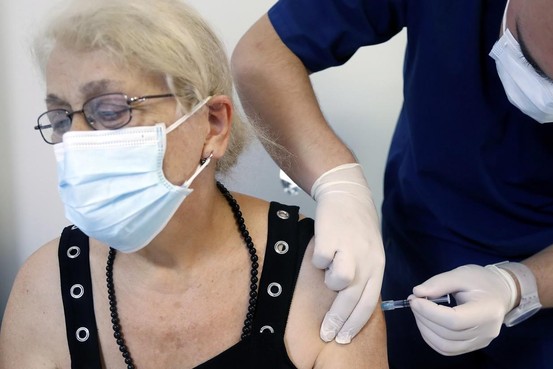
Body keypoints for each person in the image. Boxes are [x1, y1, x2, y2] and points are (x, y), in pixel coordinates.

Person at [0, 0, 389, 368]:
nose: (78, 141)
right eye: (61, 120)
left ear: (213, 125)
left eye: (111, 111)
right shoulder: (46, 288)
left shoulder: (320, 277)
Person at [231, 0, 553, 368]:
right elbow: (262, 56)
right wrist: (338, 183)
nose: (551, 96)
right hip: (417, 246)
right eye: (528, 58)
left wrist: (520, 286)